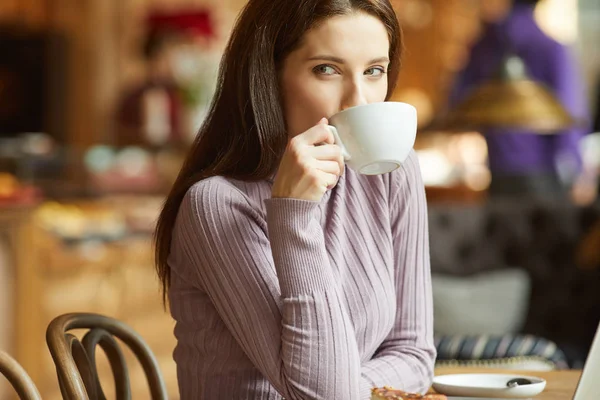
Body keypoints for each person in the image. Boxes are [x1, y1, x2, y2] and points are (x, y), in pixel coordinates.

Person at [154, 0, 436, 398]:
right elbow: (322, 395)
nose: (360, 101)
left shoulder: (392, 173)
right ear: (269, 76)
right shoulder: (216, 205)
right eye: (327, 69)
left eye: (375, 71)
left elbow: (415, 353)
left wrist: (348, 388)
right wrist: (293, 218)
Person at [450, 0, 590, 199]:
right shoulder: (551, 48)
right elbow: (571, 115)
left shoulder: (483, 48)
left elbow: (456, 103)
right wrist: (575, 171)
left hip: (500, 170)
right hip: (544, 172)